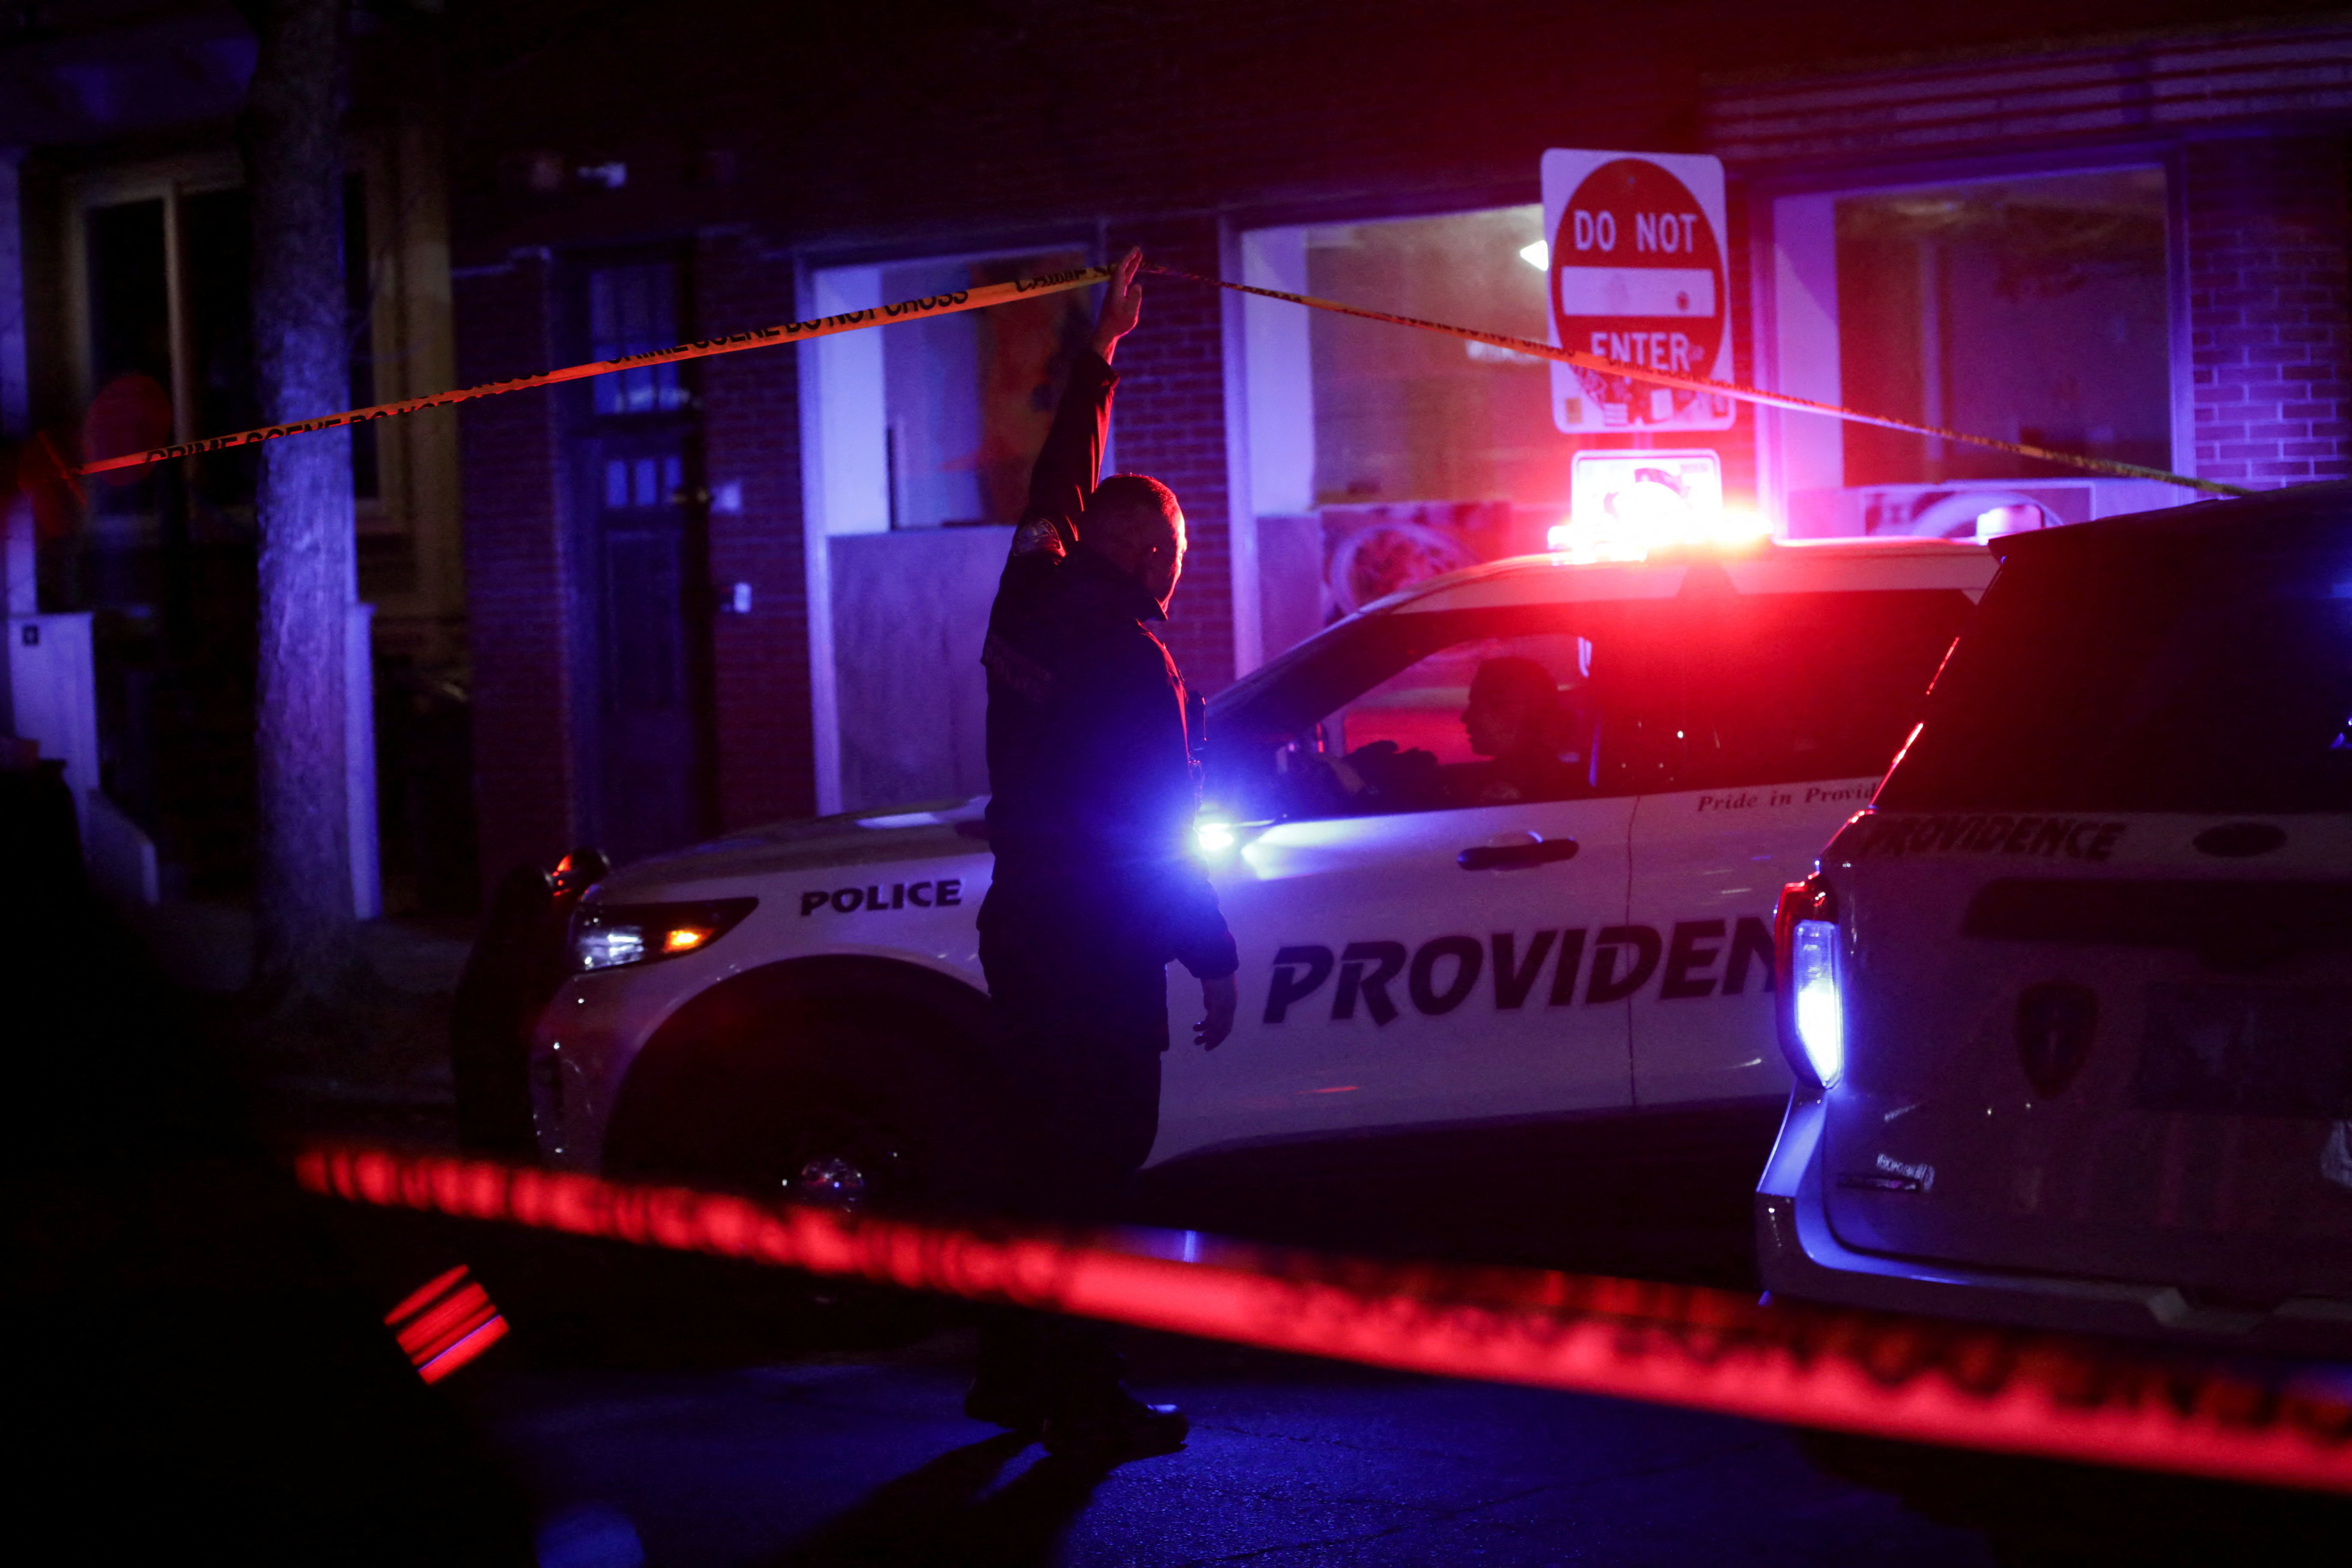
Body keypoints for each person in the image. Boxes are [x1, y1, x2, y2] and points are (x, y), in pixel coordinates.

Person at [969, 247, 1238, 1461]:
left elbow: (1055, 482)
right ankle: (1085, 1396)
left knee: (1031, 1162)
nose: (1176, 575)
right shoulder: (1135, 660)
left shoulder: (1026, 596)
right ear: (1153, 558)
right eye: (1174, 556)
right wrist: (1209, 953)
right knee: (1092, 1170)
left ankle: (1009, 1375)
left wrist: (1101, 355)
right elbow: (1157, 825)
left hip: (1023, 930)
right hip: (1098, 955)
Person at [1454, 656, 1584, 805]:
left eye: (1477, 706)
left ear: (1516, 713)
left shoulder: (1532, 793)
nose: (1465, 717)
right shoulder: (1555, 785)